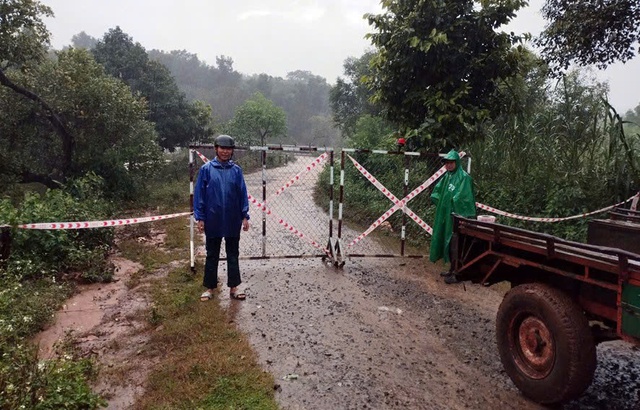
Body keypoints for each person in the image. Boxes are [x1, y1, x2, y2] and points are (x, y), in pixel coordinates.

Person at [194, 135, 250, 301]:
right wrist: (201, 217)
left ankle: (234, 287)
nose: (225, 152)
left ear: (232, 151)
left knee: (233, 253)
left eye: (228, 149)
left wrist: (244, 215)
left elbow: (242, 194)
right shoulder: (206, 169)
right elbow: (200, 195)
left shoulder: (236, 171)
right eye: (222, 148)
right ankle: (210, 288)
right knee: (212, 254)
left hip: (233, 219)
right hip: (213, 219)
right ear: (216, 149)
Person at [429, 149, 476, 284]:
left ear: (457, 163)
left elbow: (464, 198)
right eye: (447, 163)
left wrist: (453, 206)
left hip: (457, 219)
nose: (449, 165)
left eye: (451, 162)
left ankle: (457, 273)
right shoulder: (447, 177)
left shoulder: (464, 177)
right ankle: (451, 269)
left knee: (457, 244)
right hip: (446, 216)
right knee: (449, 243)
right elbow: (437, 193)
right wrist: (442, 205)